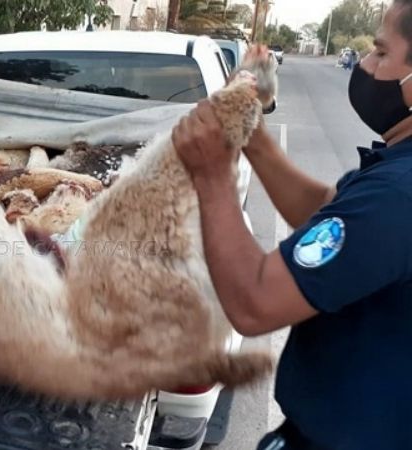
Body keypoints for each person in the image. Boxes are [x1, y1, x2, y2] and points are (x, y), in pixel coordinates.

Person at [172, 1, 412, 449]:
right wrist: (252, 134)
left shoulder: (398, 195)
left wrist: (211, 172)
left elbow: (256, 303)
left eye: (380, 52)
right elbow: (326, 214)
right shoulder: (394, 175)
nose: (363, 64)